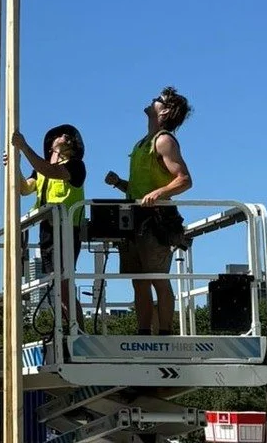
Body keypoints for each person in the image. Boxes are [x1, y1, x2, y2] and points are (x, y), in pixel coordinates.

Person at [104, 87, 193, 334]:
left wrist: (159, 194)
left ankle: (164, 332)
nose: (152, 100)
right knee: (138, 281)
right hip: (135, 219)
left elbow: (184, 179)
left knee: (157, 278)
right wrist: (120, 184)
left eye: (158, 100)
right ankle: (143, 332)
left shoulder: (164, 140)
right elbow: (140, 188)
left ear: (164, 111)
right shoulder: (143, 143)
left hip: (156, 220)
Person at [13, 124, 86, 328]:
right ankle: (67, 329)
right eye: (61, 135)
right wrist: (15, 166)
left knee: (63, 284)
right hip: (48, 231)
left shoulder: (76, 165)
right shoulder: (41, 170)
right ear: (52, 144)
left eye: (68, 136)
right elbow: (24, 189)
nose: (65, 137)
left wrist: (25, 148)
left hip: (67, 230)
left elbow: (52, 171)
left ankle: (76, 331)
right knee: (56, 285)